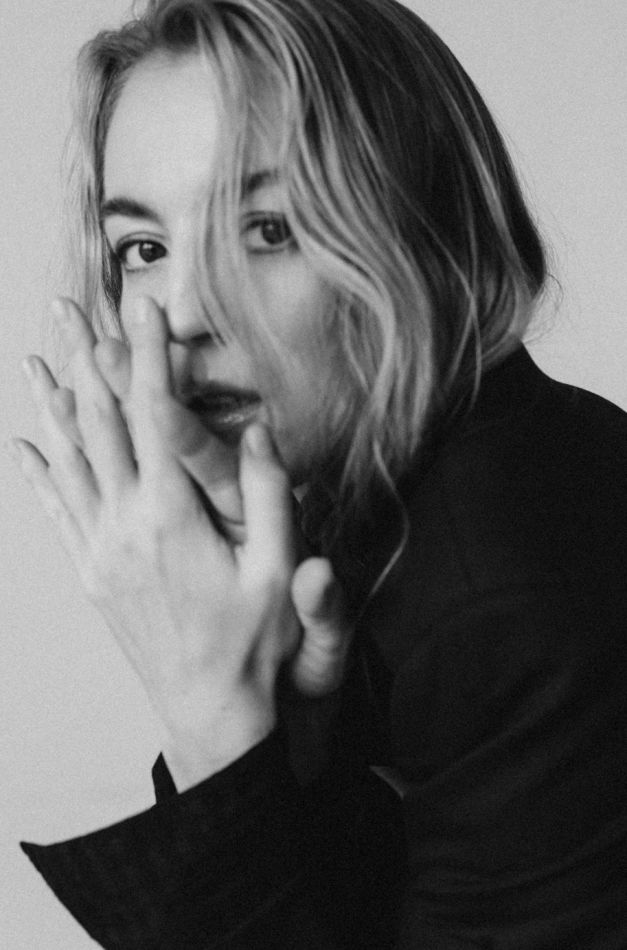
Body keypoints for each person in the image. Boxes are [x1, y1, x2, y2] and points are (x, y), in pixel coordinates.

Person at [9, 0, 627, 946]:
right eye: (145, 248)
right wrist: (282, 744)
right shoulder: (398, 509)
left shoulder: (502, 600)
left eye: (267, 230)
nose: (181, 313)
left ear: (428, 232)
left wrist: (211, 721)